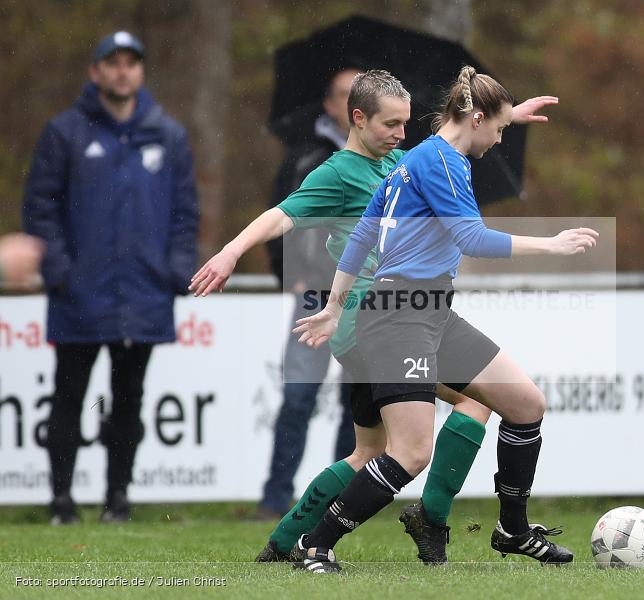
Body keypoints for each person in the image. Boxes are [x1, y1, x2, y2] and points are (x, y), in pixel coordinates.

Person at [189, 70, 558, 565]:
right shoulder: (338, 172)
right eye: (390, 124)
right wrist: (230, 253)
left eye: (406, 123)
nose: (401, 134)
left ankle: (283, 544)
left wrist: (503, 115)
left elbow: (449, 142)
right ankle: (426, 520)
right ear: (357, 119)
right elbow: (281, 215)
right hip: (375, 318)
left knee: (369, 451)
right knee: (461, 414)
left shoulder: (403, 163)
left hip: (389, 315)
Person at [293, 66, 597, 573]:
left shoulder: (418, 156)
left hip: (428, 312)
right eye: (498, 130)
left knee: (525, 404)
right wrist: (551, 243)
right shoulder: (445, 164)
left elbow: (366, 233)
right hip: (398, 317)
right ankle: (313, 544)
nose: (498, 141)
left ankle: (513, 531)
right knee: (410, 453)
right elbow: (473, 239)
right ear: (475, 118)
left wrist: (335, 305)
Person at [21, 31, 199, 524]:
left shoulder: (168, 134)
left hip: (142, 294)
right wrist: (60, 271)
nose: (123, 71)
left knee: (128, 403)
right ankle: (61, 501)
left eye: (131, 63)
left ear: (141, 72)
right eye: (112, 63)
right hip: (79, 295)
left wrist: (175, 271)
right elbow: (40, 210)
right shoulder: (65, 133)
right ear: (95, 71)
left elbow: (186, 214)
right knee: (70, 398)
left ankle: (117, 499)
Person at [255, 68, 361, 520]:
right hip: (315, 294)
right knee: (299, 395)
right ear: (330, 104)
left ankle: (341, 497)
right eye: (344, 95)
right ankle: (276, 496)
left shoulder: (389, 161)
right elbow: (278, 218)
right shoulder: (303, 158)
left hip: (361, 298)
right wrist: (288, 275)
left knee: (354, 403)